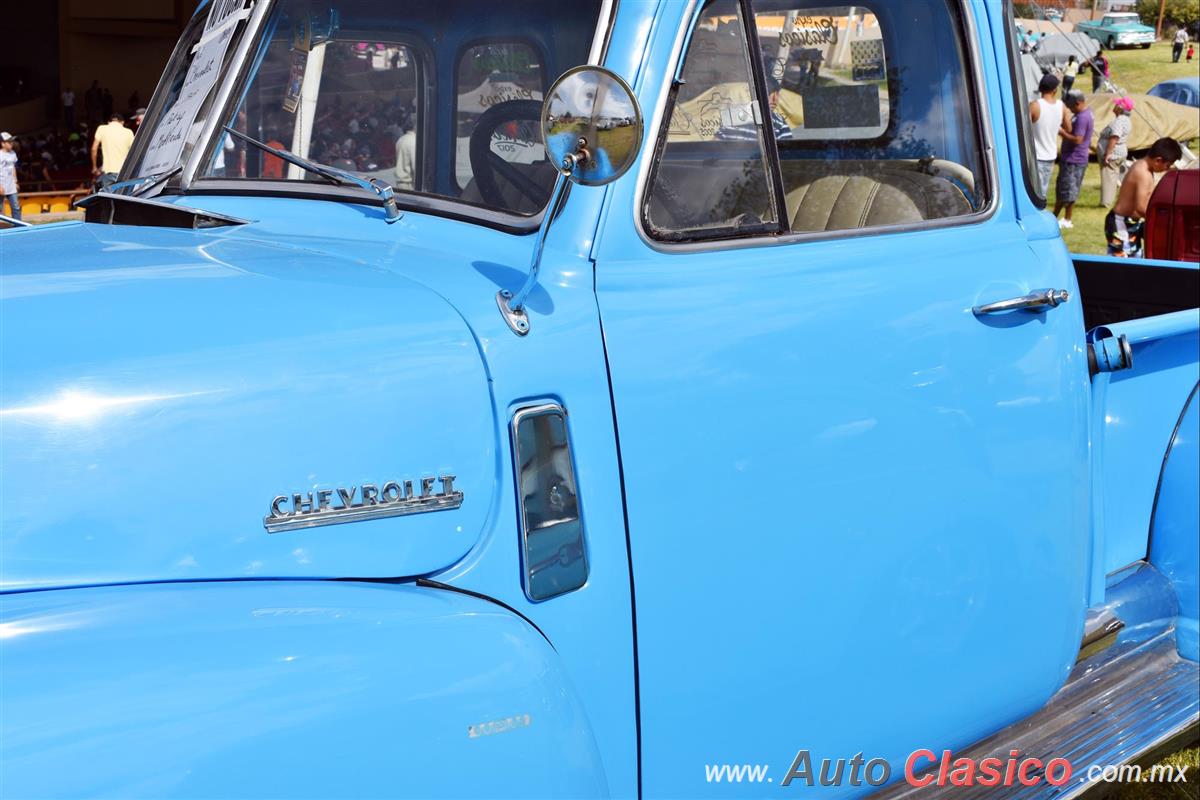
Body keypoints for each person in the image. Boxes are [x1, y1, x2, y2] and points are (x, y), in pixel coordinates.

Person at [1106, 137, 1183, 257]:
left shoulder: (1144, 167)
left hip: (1131, 223)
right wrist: (1161, 221)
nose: (1166, 169)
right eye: (1167, 165)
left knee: (1136, 258)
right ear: (1158, 160)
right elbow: (1141, 207)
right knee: (1123, 264)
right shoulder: (1143, 173)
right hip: (1121, 223)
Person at [1053, 91, 1093, 229]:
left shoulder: (1082, 117)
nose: (1070, 109)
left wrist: (1062, 133)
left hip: (1074, 159)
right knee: (1063, 190)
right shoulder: (1082, 115)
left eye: (1071, 107)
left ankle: (1067, 219)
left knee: (1069, 191)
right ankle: (1055, 217)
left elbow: (1078, 139)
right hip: (1071, 158)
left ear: (1078, 103)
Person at [1029, 73, 1063, 198]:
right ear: (1054, 90)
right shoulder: (1060, 106)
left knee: (1034, 191)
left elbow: (1024, 126)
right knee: (1043, 189)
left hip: (1036, 154)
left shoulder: (1035, 106)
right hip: (1050, 154)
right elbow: (1069, 127)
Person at [1097, 96, 1134, 208]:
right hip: (1120, 153)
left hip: (1113, 154)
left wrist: (1108, 154)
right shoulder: (1126, 120)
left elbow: (1114, 137)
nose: (1114, 105)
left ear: (1120, 108)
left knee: (1108, 177)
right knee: (1114, 177)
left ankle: (1105, 203)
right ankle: (1115, 200)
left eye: (1117, 104)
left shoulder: (1118, 121)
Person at [91, 113, 134, 182]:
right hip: (125, 171)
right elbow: (133, 152)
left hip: (109, 171)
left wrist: (94, 167)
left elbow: (94, 148)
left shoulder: (102, 128)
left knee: (108, 192)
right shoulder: (129, 132)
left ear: (109, 122)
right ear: (122, 122)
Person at [0, 132, 20, 220]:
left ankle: (19, 227)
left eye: (12, 141)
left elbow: (13, 168)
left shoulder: (13, 153)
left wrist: (16, 182)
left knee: (16, 207)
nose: (11, 143)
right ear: (2, 143)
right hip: (1, 185)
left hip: (11, 186)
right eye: (9, 142)